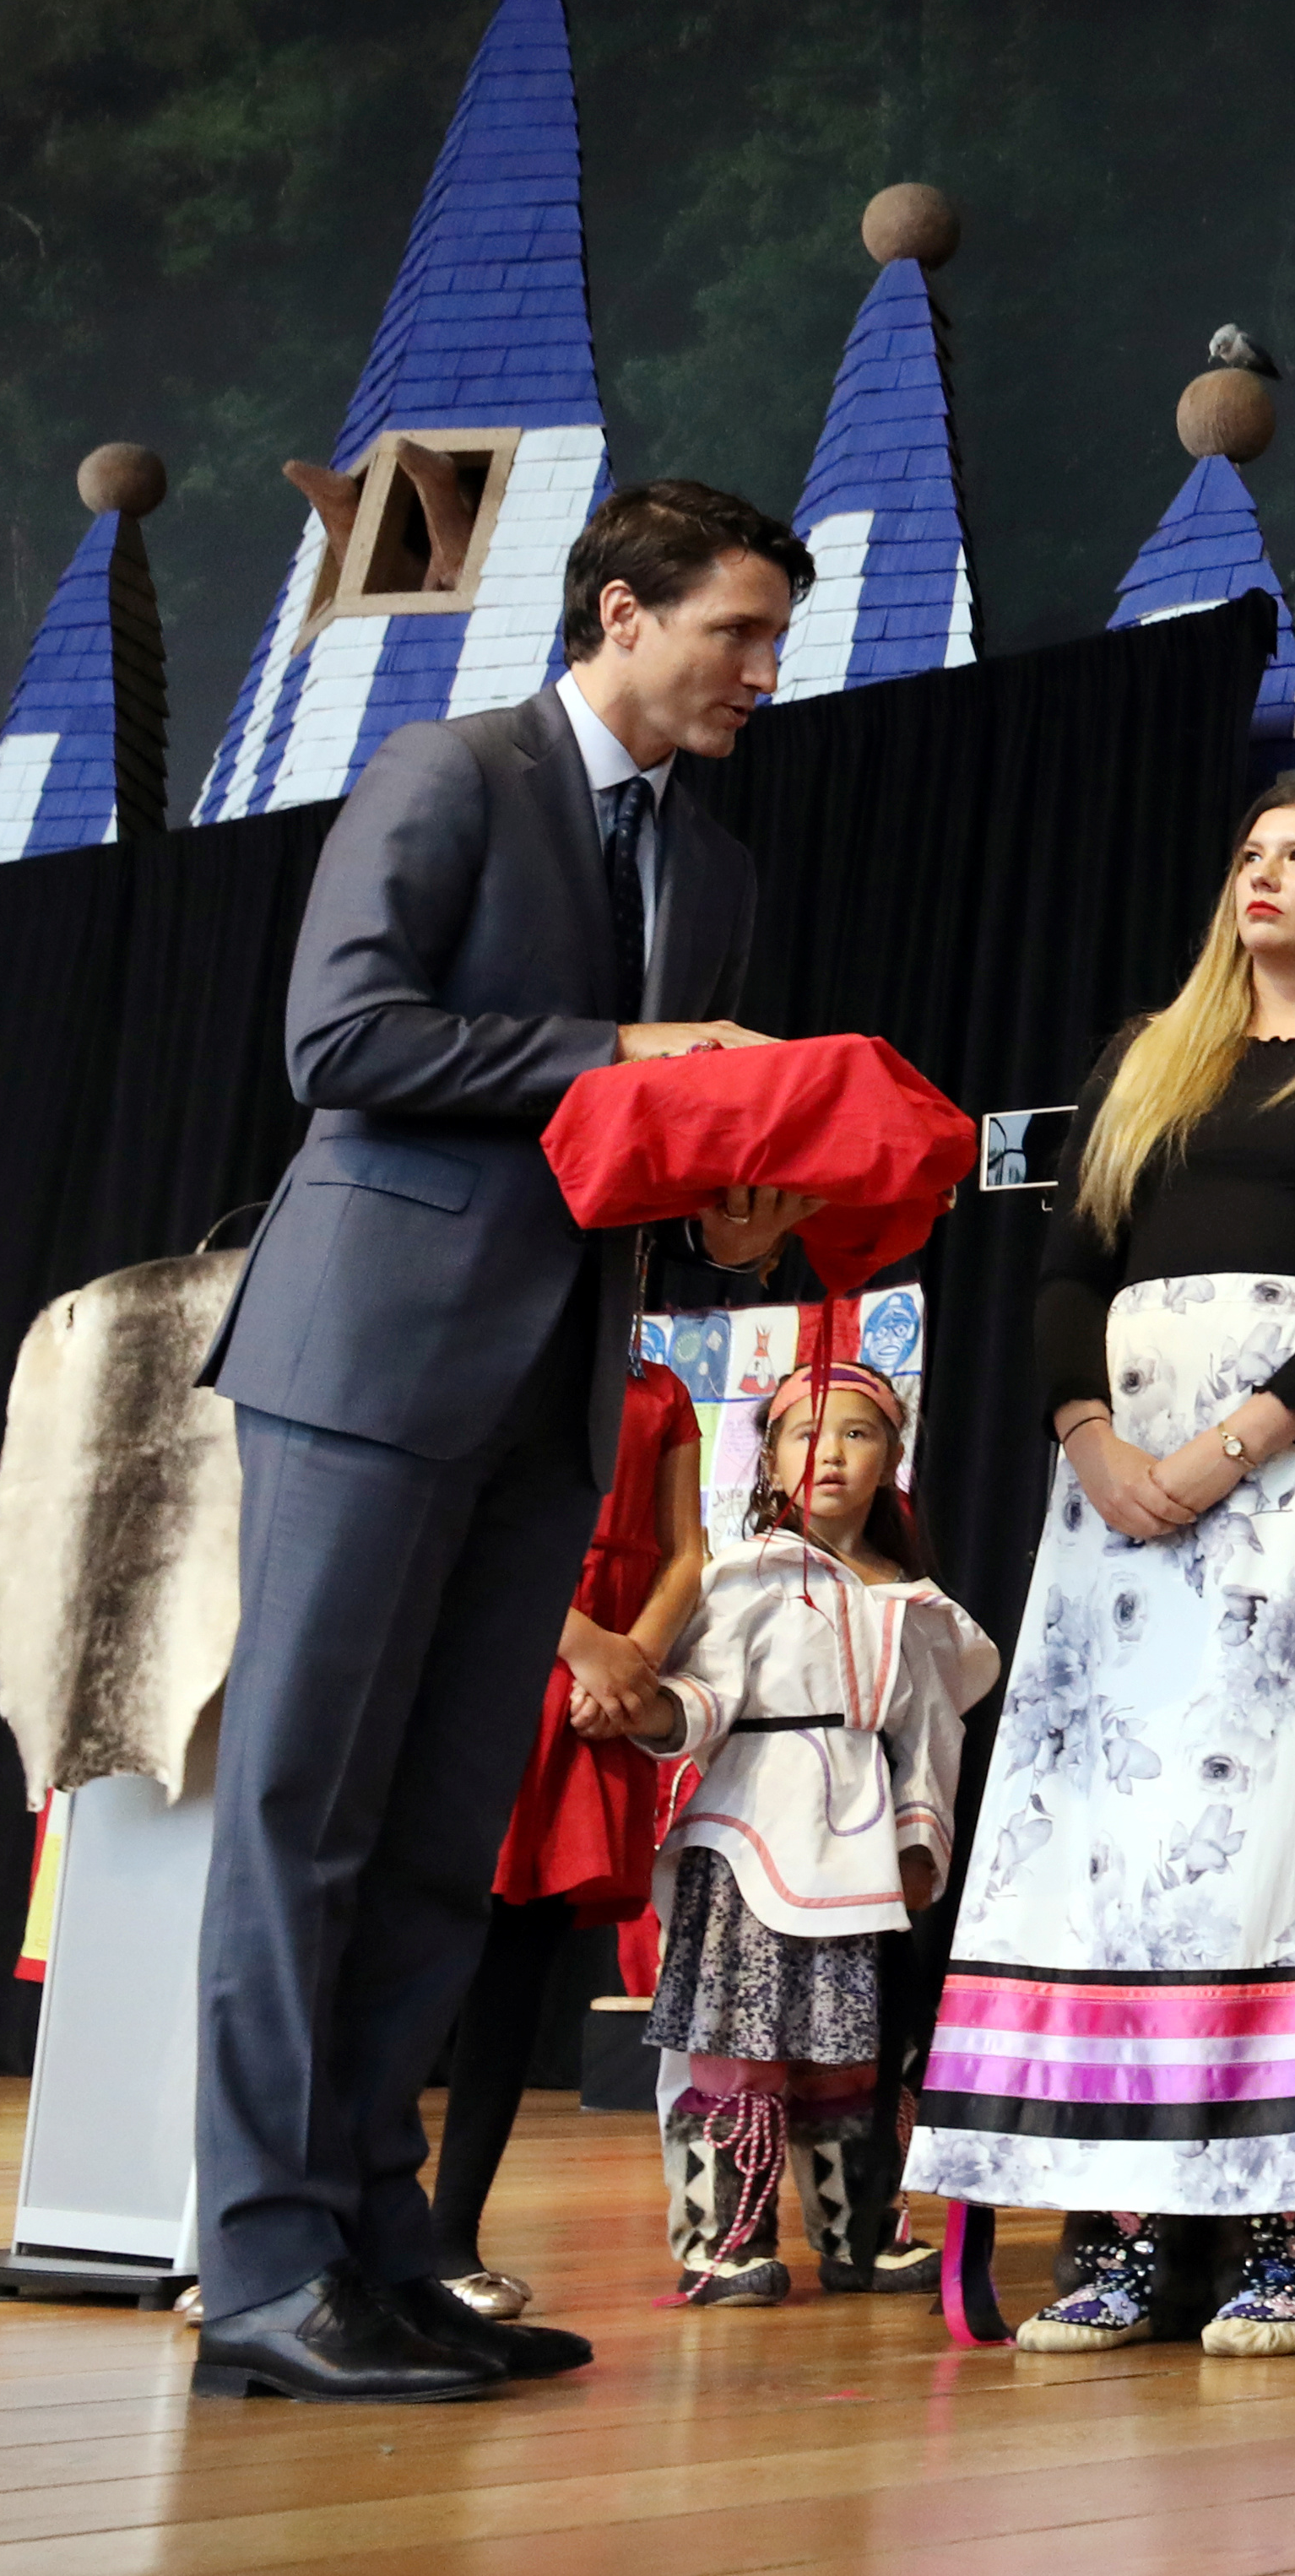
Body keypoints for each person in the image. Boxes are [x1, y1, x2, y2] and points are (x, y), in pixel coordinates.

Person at [186, 477, 828, 2406]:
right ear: (620, 614)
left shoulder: (710, 872)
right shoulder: (450, 772)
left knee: (439, 1850)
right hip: (367, 1360)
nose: (761, 674)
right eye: (735, 633)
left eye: (773, 641)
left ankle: (384, 2246)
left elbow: (628, 1147)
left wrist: (728, 1199)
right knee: (305, 1821)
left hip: (561, 1389)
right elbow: (340, 1042)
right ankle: (262, 2276)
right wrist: (625, 1060)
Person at [912, 777, 1295, 2358]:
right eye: (1248, 851)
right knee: (1118, 1842)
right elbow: (1066, 1266)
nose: (1264, 875)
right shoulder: (1143, 1060)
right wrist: (1090, 1436)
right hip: (1124, 1511)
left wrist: (1234, 1437)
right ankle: (1120, 2236)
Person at [628, 1362, 992, 2304]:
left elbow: (928, 1738)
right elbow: (701, 1698)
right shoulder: (745, 1580)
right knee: (740, 2042)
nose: (829, 1453)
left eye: (858, 1434)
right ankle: (724, 2239)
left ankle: (858, 2229)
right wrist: (656, 1712)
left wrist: (920, 1839)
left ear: (892, 1457)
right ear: (772, 1457)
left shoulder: (915, 1605)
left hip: (863, 1847)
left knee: (852, 2049)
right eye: (804, 1434)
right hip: (755, 1832)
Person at [428, 1351, 703, 2316]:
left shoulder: (658, 1390)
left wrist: (634, 1665)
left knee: (516, 1967)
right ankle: (328, 2222)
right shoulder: (508, 1358)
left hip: (601, 1691)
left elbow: (685, 1553)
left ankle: (449, 2236)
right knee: (413, 1957)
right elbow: (466, 1519)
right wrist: (584, 1643)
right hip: (500, 1653)